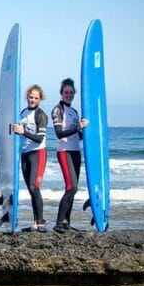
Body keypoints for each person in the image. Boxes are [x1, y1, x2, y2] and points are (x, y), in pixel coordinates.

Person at [51, 78, 89, 234]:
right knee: (71, 187)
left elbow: (77, 136)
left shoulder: (74, 112)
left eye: (71, 92)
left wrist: (86, 132)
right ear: (61, 93)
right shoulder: (57, 110)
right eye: (66, 92)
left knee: (74, 188)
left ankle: (67, 221)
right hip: (64, 152)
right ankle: (59, 222)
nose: (69, 95)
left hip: (75, 152)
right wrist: (78, 126)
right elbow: (60, 133)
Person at [13, 84, 48, 232]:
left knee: (34, 187)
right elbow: (17, 131)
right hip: (25, 153)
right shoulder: (23, 113)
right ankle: (35, 221)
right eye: (30, 97)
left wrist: (22, 132)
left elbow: (39, 139)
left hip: (38, 153)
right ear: (27, 97)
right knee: (30, 188)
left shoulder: (41, 115)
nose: (32, 100)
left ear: (40, 99)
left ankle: (40, 222)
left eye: (35, 98)